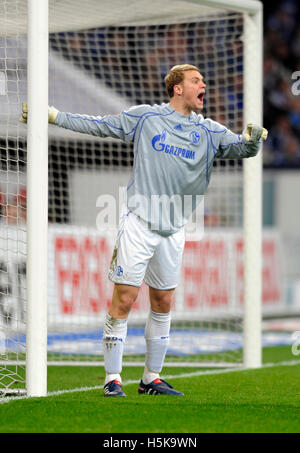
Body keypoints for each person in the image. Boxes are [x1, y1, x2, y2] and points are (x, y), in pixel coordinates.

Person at [21, 64, 268, 397]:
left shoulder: (210, 131)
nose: (204, 85)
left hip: (175, 228)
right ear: (177, 88)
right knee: (125, 298)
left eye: (203, 81)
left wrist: (253, 141)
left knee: (163, 301)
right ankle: (112, 378)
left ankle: (151, 377)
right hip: (139, 222)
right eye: (196, 80)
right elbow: (101, 126)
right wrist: (53, 116)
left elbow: (241, 148)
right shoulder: (147, 119)